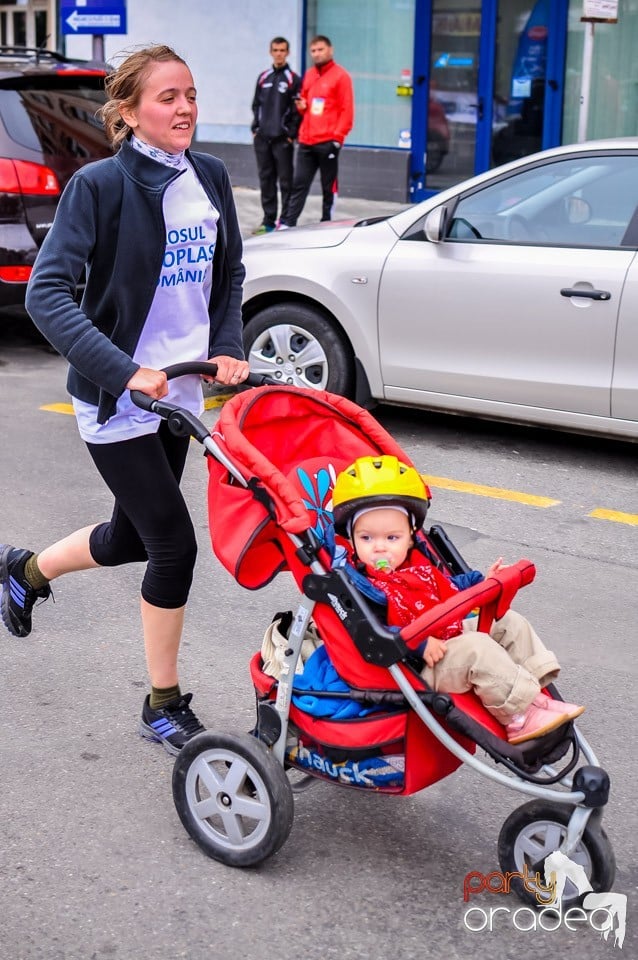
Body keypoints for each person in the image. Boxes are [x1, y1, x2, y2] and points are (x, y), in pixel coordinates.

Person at [0, 44, 249, 757]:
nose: (185, 109)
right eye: (168, 97)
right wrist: (124, 370)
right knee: (172, 545)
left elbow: (228, 273)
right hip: (119, 401)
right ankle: (162, 705)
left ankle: (23, 572)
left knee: (133, 537)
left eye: (191, 95)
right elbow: (46, 295)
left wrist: (226, 346)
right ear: (130, 111)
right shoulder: (101, 186)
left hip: (184, 394)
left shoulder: (211, 175)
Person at [331, 456, 585, 744]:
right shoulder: (360, 584)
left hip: (449, 633)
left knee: (509, 623)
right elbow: (371, 633)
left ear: (411, 538)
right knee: (478, 648)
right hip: (419, 666)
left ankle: (535, 693)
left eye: (392, 538)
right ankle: (519, 718)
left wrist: (484, 582)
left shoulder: (417, 564)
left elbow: (450, 587)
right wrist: (418, 644)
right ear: (351, 540)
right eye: (366, 538)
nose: (379, 547)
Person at [278, 35, 354, 228]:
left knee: (329, 187)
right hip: (306, 140)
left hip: (328, 141)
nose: (317, 54)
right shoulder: (310, 74)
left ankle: (327, 223)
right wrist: (302, 106)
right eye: (313, 51)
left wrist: (337, 139)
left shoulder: (341, 76)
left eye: (320, 49)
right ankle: (288, 223)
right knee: (299, 184)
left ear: (330, 50)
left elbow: (347, 109)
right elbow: (304, 104)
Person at [250, 36, 301, 234]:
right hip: (262, 139)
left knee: (286, 181)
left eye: (282, 50)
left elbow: (296, 110)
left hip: (282, 140)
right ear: (271, 52)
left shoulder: (293, 79)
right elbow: (256, 105)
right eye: (275, 50)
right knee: (266, 180)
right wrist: (256, 129)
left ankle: (285, 222)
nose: (279, 54)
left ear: (287, 53)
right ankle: (268, 222)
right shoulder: (263, 77)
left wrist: (290, 134)